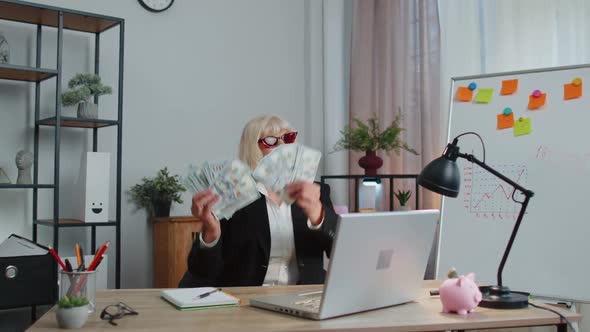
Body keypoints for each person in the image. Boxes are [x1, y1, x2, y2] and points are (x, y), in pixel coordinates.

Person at [179, 115, 338, 287]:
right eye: (271, 141)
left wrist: (318, 215)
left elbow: (342, 252)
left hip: (301, 297)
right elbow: (202, 271)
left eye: (288, 138)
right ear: (253, 148)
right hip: (246, 301)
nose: (283, 147)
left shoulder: (315, 193)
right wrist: (211, 232)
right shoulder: (232, 193)